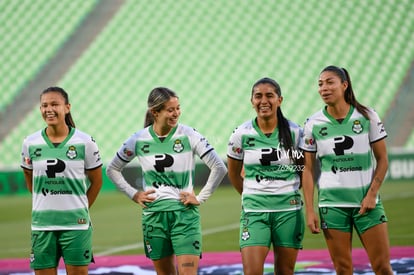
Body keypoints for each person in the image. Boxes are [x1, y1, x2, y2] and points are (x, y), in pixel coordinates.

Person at [106, 87, 227, 275]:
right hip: (154, 217)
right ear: (155, 112)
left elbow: (219, 167)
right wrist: (134, 194)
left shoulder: (189, 135)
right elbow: (112, 169)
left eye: (178, 108)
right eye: (171, 110)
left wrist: (201, 197)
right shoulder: (138, 139)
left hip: (184, 215)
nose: (176, 113)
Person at [300, 65, 393, 274]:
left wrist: (372, 195)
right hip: (332, 206)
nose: (324, 88)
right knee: (342, 269)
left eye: (329, 82)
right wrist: (309, 209)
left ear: (344, 85)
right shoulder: (312, 123)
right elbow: (307, 169)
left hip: (367, 204)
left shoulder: (367, 115)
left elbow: (383, 159)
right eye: (320, 84)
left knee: (383, 267)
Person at [21, 87, 103, 275]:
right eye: (44, 105)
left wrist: (81, 207)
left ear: (67, 108)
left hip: (76, 225)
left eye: (54, 104)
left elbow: (97, 182)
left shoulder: (85, 142)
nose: (49, 109)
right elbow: (28, 175)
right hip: (42, 225)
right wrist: (44, 203)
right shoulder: (30, 143)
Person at [227, 77, 305, 275]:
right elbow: (234, 174)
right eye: (258, 96)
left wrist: (287, 191)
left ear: (280, 100)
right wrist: (251, 195)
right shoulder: (241, 134)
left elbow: (304, 171)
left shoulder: (296, 133)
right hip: (254, 212)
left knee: (285, 272)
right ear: (252, 101)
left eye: (270, 95)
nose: (264, 101)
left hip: (289, 211)